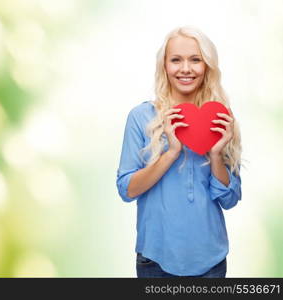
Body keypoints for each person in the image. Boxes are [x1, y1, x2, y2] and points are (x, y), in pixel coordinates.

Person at [116, 26, 242, 278]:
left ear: (207, 66)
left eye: (195, 60)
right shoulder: (141, 117)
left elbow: (230, 200)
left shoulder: (220, 119)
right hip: (156, 260)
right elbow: (127, 190)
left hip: (211, 261)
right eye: (176, 60)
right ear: (164, 66)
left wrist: (216, 155)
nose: (186, 68)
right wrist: (172, 152)